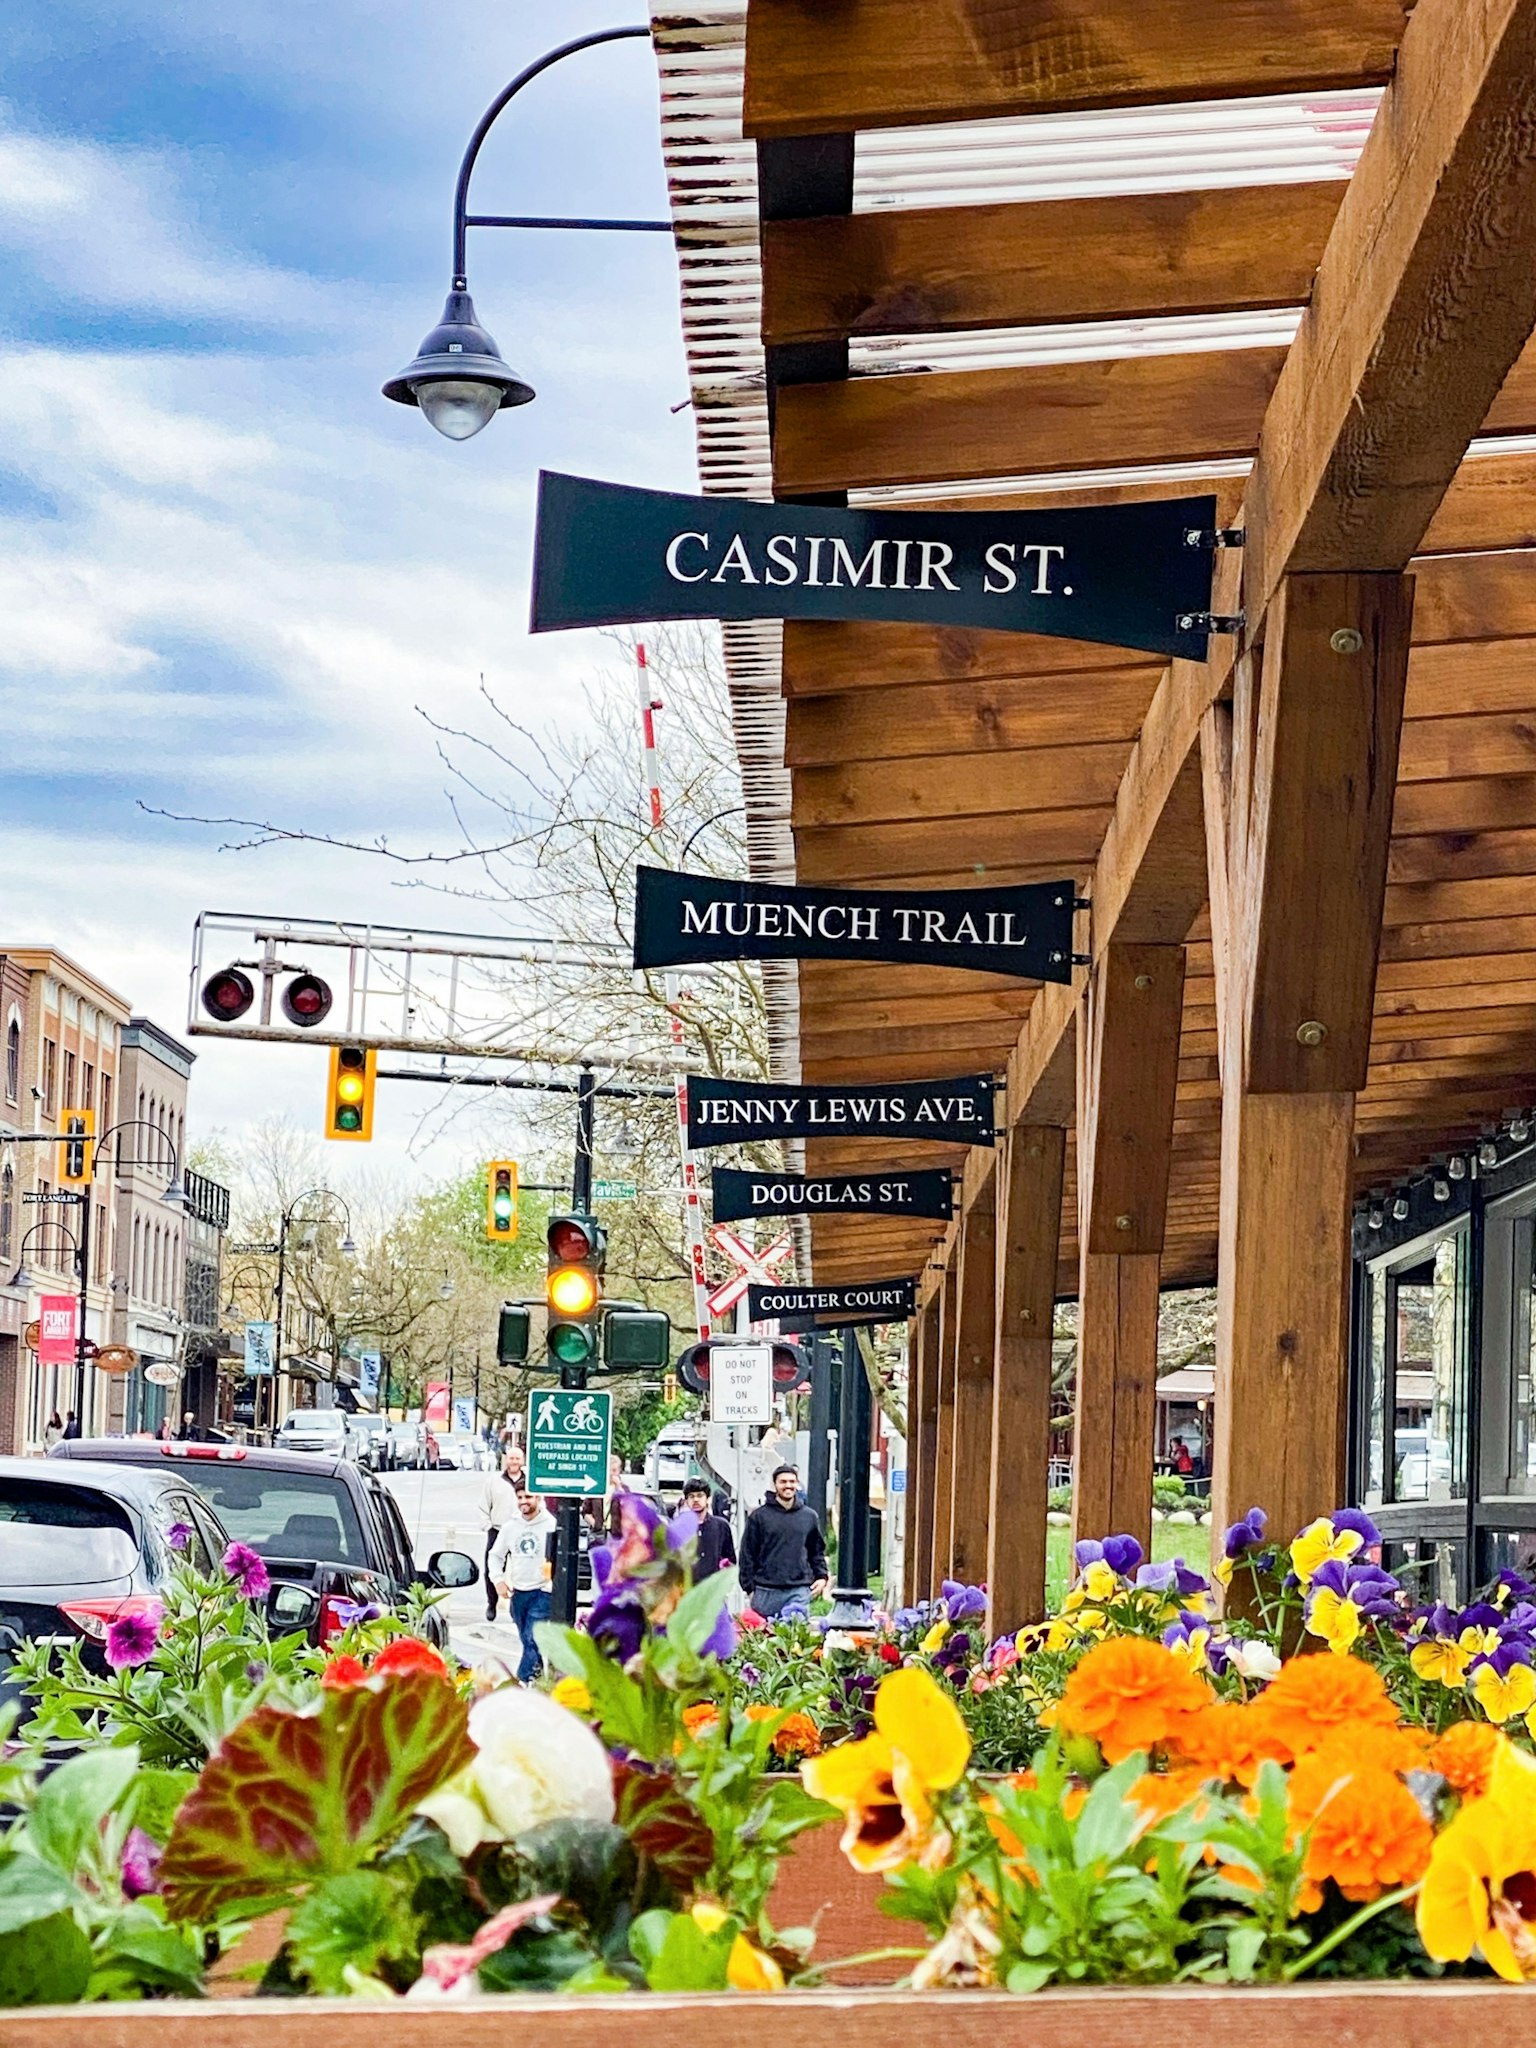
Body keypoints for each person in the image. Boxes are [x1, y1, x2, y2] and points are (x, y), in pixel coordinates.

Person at [738, 1464, 828, 1619]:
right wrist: (749, 1589)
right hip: (765, 1592)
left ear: (797, 1484)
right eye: (783, 1482)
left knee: (795, 1640)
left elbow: (816, 1551)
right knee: (763, 1641)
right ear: (774, 1485)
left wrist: (822, 1577)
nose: (788, 1485)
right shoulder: (759, 1517)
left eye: (792, 1482)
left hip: (798, 1589)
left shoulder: (809, 1517)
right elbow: (747, 1554)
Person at [489, 1484, 557, 1682]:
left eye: (528, 1496)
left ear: (538, 1498)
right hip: (519, 1593)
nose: (524, 1502)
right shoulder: (511, 1527)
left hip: (543, 1591)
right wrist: (498, 1580)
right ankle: (539, 1684)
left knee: (532, 1638)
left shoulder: (551, 1524)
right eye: (519, 1497)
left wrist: (552, 1582)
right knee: (529, 1643)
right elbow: (495, 1555)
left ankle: (522, 1681)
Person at [476, 1444, 525, 1622]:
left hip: (521, 1530)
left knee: (522, 1570)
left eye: (517, 1458)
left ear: (523, 1461)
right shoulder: (494, 1480)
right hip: (497, 1530)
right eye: (511, 1458)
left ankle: (517, 1607)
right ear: (506, 1460)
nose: (514, 1462)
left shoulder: (529, 1480)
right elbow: (483, 1505)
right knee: (492, 1569)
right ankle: (492, 1603)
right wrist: (487, 1526)